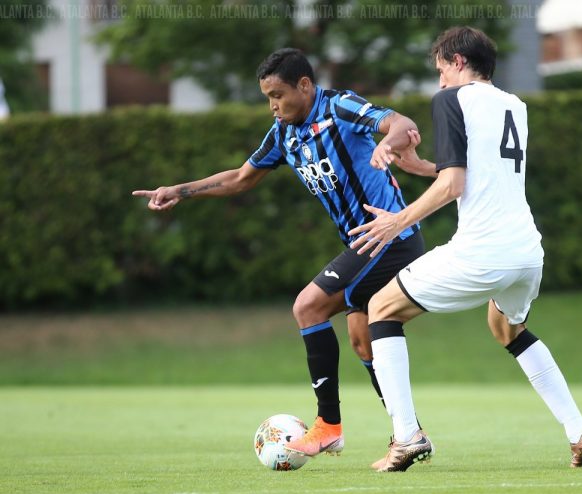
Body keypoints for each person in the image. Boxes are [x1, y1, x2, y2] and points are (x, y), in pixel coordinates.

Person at [133, 48, 426, 457]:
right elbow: (240, 177)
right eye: (267, 97)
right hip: (365, 245)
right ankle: (409, 435)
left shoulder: (338, 106)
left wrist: (388, 143)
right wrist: (179, 190)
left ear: (304, 86)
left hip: (390, 237)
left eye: (278, 94)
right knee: (362, 342)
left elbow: (400, 123)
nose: (273, 105)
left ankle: (328, 426)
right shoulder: (284, 133)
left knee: (308, 306)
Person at [348, 27, 582, 472]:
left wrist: (396, 221)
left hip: (483, 251)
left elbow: (455, 184)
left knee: (381, 307)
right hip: (527, 252)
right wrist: (424, 167)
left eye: (441, 69)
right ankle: (580, 432)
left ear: (459, 61)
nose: (440, 81)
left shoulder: (451, 100)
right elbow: (477, 173)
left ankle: (407, 437)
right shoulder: (515, 105)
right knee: (507, 328)